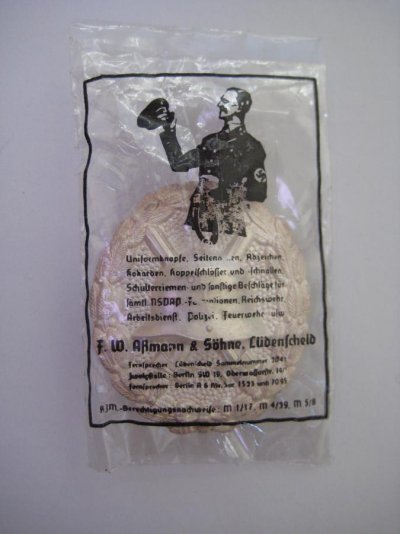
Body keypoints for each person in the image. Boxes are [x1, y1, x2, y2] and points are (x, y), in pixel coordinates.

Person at [157, 88, 267, 243]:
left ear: (239, 108)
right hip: (197, 221)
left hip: (229, 227)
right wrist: (169, 131)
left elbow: (259, 193)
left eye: (226, 101)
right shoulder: (210, 141)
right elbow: (178, 164)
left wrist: (224, 185)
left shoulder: (252, 147)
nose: (220, 104)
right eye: (221, 100)